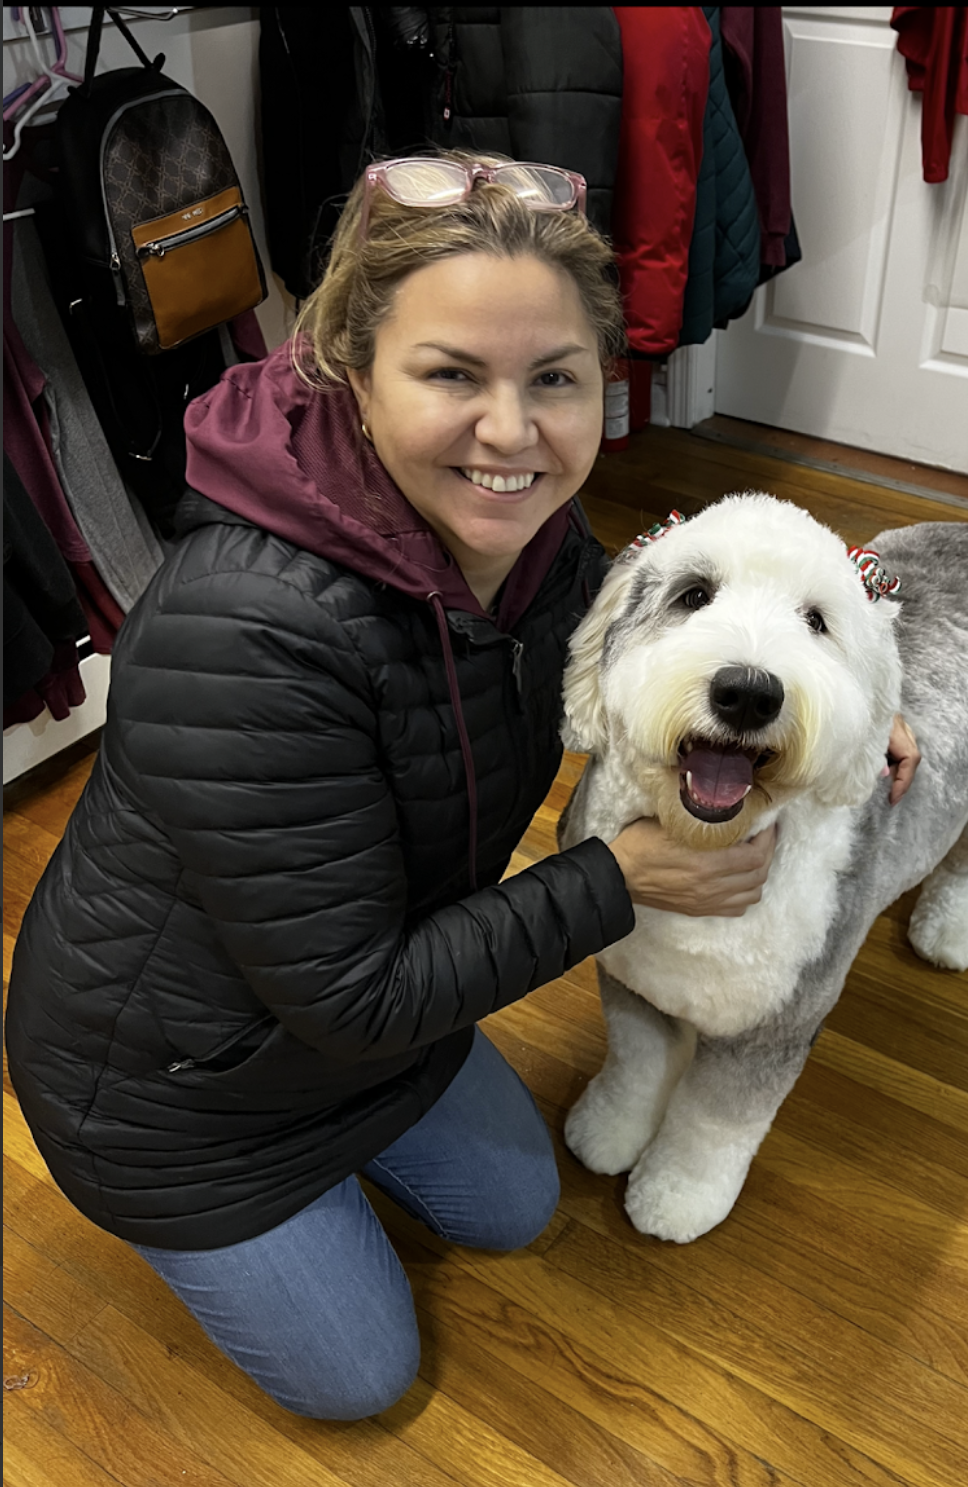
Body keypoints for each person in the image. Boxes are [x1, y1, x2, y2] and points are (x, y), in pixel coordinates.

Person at [5, 153, 920, 1422]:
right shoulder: (243, 631)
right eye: (450, 374)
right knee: (359, 1381)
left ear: (602, 381)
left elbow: (684, 629)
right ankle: (221, 1224)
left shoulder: (537, 540)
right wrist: (615, 880)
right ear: (347, 364)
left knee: (517, 1205)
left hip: (365, 1012)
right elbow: (351, 992)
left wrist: (856, 690)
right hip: (177, 1095)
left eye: (553, 378)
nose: (511, 432)